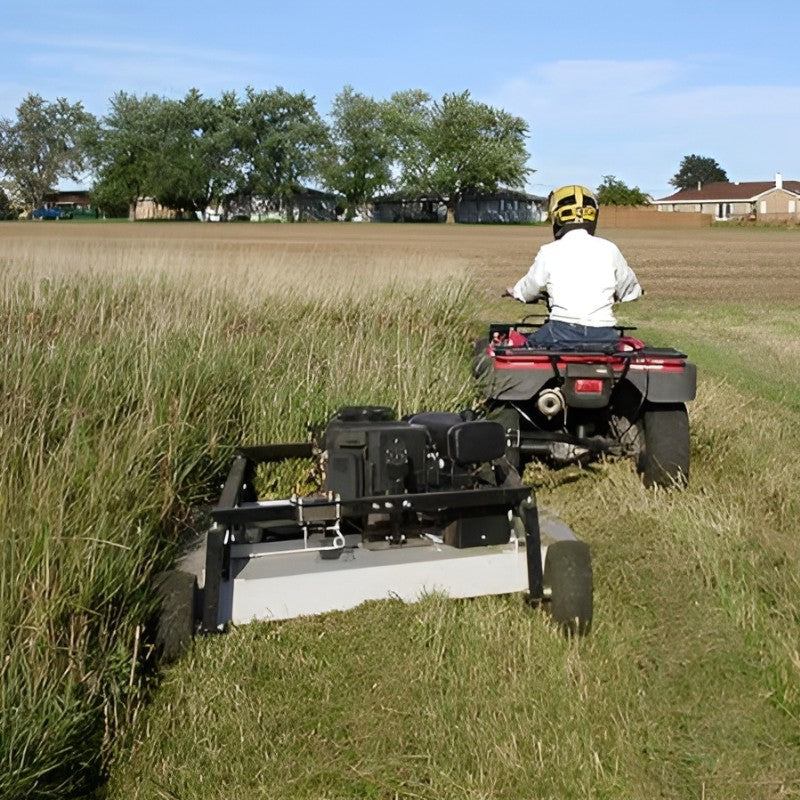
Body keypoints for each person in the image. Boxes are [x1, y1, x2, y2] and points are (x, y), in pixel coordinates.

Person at [504, 185, 643, 345]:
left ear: (556, 217)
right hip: (604, 336)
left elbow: (531, 287)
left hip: (560, 332)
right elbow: (629, 289)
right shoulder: (610, 249)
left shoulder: (550, 251)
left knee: (521, 345)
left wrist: (517, 292)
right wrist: (633, 293)